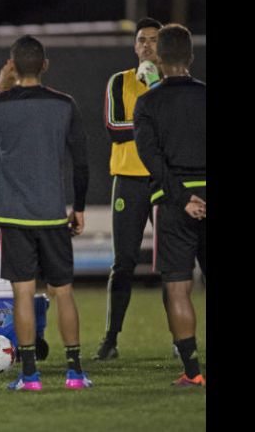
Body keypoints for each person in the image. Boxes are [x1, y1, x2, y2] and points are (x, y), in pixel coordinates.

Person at [0, 35, 92, 391]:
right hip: (52, 213)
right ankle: (75, 373)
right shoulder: (65, 104)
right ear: (45, 65)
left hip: (14, 217)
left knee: (22, 293)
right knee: (62, 292)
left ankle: (31, 376)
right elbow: (81, 163)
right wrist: (77, 207)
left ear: (13, 66)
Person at [133, 23, 206, 387]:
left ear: (159, 57)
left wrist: (182, 197)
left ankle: (193, 372)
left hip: (173, 204)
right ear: (191, 55)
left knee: (177, 287)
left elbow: (151, 159)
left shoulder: (147, 102)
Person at [94, 18, 163, 360]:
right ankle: (110, 340)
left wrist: (154, 90)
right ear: (135, 46)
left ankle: (182, 342)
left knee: (172, 265)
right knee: (123, 262)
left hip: (164, 180)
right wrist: (155, 118)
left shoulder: (171, 85)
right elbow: (113, 128)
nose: (148, 45)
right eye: (142, 40)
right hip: (129, 179)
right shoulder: (119, 82)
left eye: (154, 40)